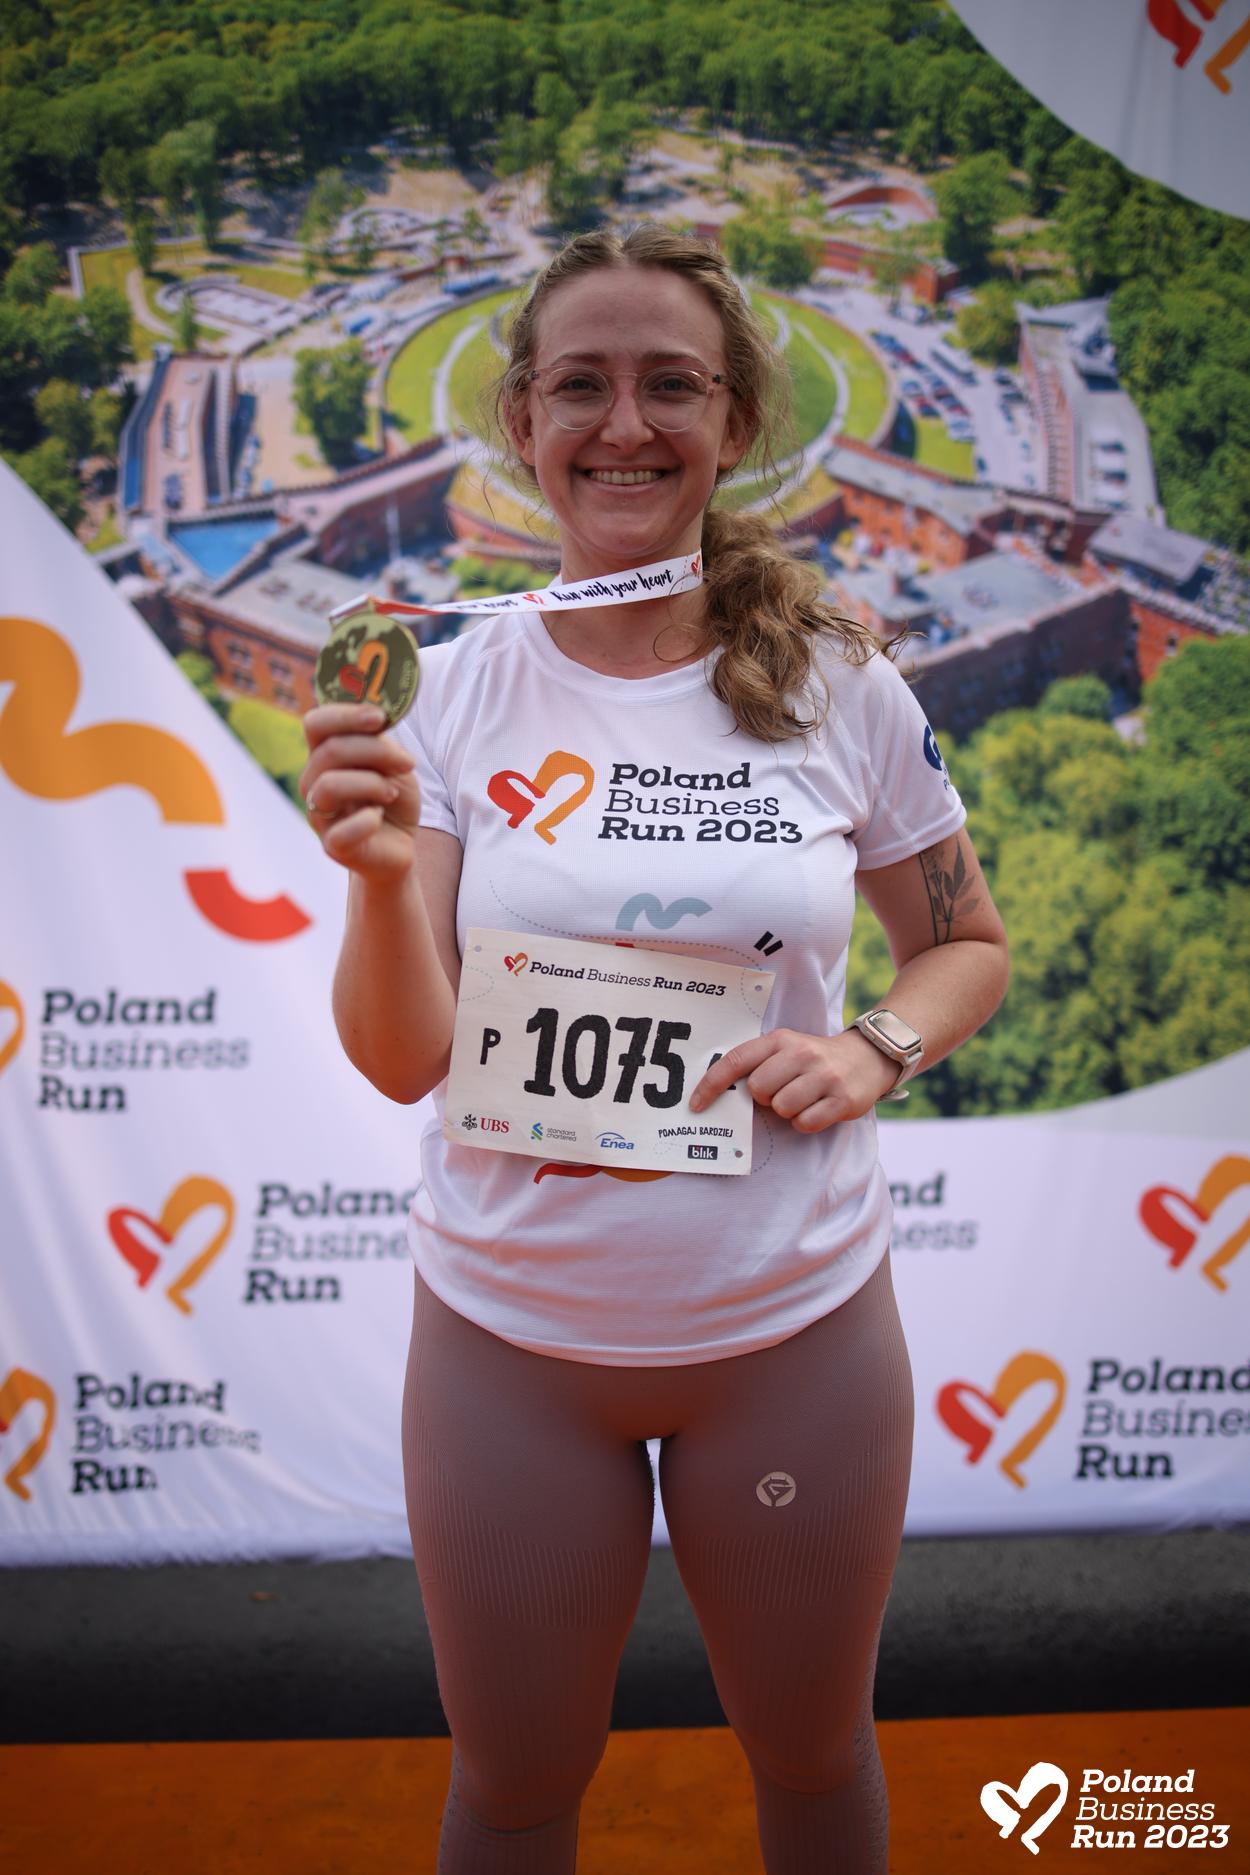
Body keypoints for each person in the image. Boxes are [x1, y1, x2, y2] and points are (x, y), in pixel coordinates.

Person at [300, 224, 1010, 1874]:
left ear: (733, 420)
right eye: (581, 387)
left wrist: (874, 1049)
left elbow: (962, 947)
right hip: (510, 1346)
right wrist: (380, 881)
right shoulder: (444, 694)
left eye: (670, 385)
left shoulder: (841, 682)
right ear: (522, 423)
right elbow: (404, 1061)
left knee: (813, 1757)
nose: (624, 424)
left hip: (792, 1338)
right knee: (514, 1784)